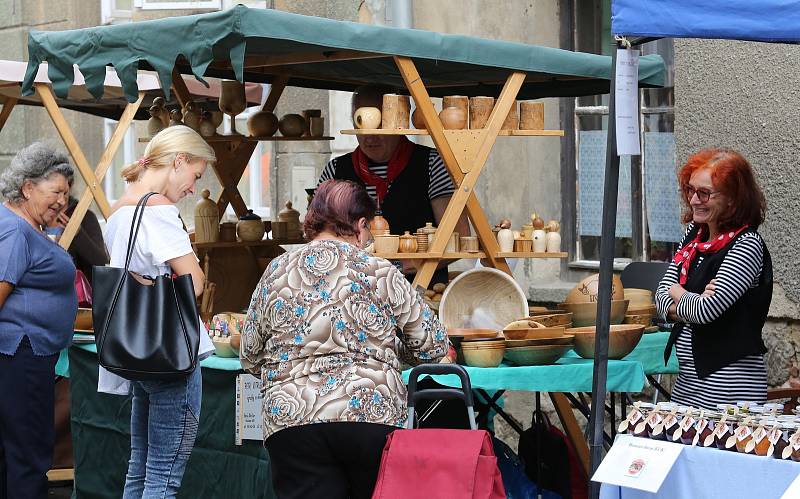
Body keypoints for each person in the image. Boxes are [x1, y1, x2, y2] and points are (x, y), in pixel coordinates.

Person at [241, 179, 449, 499]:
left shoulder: (276, 271)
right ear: (361, 225)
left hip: (293, 420)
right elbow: (432, 346)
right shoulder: (380, 270)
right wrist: (392, 351)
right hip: (370, 414)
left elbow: (250, 355)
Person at [101, 125, 216, 498]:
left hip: (134, 350)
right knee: (163, 477)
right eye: (195, 175)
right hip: (172, 353)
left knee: (141, 467)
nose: (193, 188)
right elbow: (194, 283)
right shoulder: (159, 210)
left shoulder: (119, 209)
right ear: (178, 160)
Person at [318, 85, 470, 285]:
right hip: (351, 292)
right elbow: (318, 238)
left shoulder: (432, 163)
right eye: (361, 123)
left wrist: (398, 265)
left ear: (398, 121)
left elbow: (458, 239)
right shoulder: (335, 171)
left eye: (379, 124)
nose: (370, 136)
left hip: (418, 291)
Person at [655, 148, 772, 409]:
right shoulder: (693, 236)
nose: (694, 199)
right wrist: (688, 301)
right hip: (688, 385)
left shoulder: (746, 245)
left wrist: (679, 293)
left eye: (704, 193)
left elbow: (706, 311)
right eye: (690, 190)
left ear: (732, 199)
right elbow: (661, 295)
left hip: (730, 388)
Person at [0, 143, 77, 499]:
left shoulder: (23, 226)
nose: (62, 201)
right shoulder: (16, 231)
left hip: (23, 355)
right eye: (56, 191)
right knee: (29, 454)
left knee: (16, 452)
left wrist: (51, 238)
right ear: (28, 187)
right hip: (23, 355)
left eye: (66, 193)